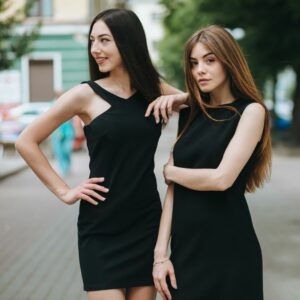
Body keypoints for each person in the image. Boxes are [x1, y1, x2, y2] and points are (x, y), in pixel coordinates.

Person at [15, 8, 188, 300]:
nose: (96, 49)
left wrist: (181, 99)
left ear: (127, 41)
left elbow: (203, 106)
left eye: (104, 40)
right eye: (92, 40)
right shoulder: (85, 94)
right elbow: (26, 141)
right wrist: (65, 191)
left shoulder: (153, 89)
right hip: (101, 227)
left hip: (146, 223)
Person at [152, 25, 272, 300]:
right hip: (186, 251)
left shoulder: (251, 112)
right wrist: (160, 255)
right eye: (194, 63)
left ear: (228, 61)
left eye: (209, 60)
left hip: (230, 251)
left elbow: (221, 179)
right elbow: (173, 191)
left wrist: (171, 171)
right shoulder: (191, 114)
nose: (199, 70)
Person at [51, 90, 75, 177]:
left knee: (67, 151)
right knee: (59, 152)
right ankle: (64, 169)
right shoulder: (53, 105)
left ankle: (67, 167)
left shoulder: (68, 104)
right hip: (57, 134)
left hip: (68, 133)